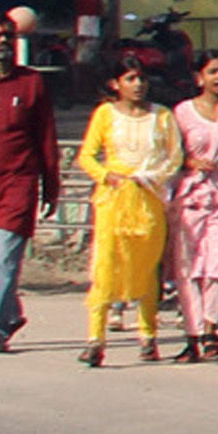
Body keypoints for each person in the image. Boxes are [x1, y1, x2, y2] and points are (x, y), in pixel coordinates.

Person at [74, 61, 176, 366]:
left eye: (142, 78)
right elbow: (87, 156)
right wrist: (108, 176)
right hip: (113, 200)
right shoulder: (105, 114)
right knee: (106, 266)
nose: (137, 84)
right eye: (130, 78)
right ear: (116, 83)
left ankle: (148, 336)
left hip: (148, 199)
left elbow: (174, 157)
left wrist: (151, 177)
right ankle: (95, 339)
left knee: (145, 267)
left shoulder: (162, 116)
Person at [0, 12, 57, 352]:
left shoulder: (31, 83)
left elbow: (46, 137)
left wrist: (51, 186)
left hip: (18, 183)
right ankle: (10, 314)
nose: (2, 42)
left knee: (5, 260)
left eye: (7, 35)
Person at [168, 52, 218, 361]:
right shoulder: (182, 112)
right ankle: (191, 334)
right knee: (189, 268)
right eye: (213, 71)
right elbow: (172, 155)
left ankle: (210, 327)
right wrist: (191, 162)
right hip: (193, 198)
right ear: (198, 77)